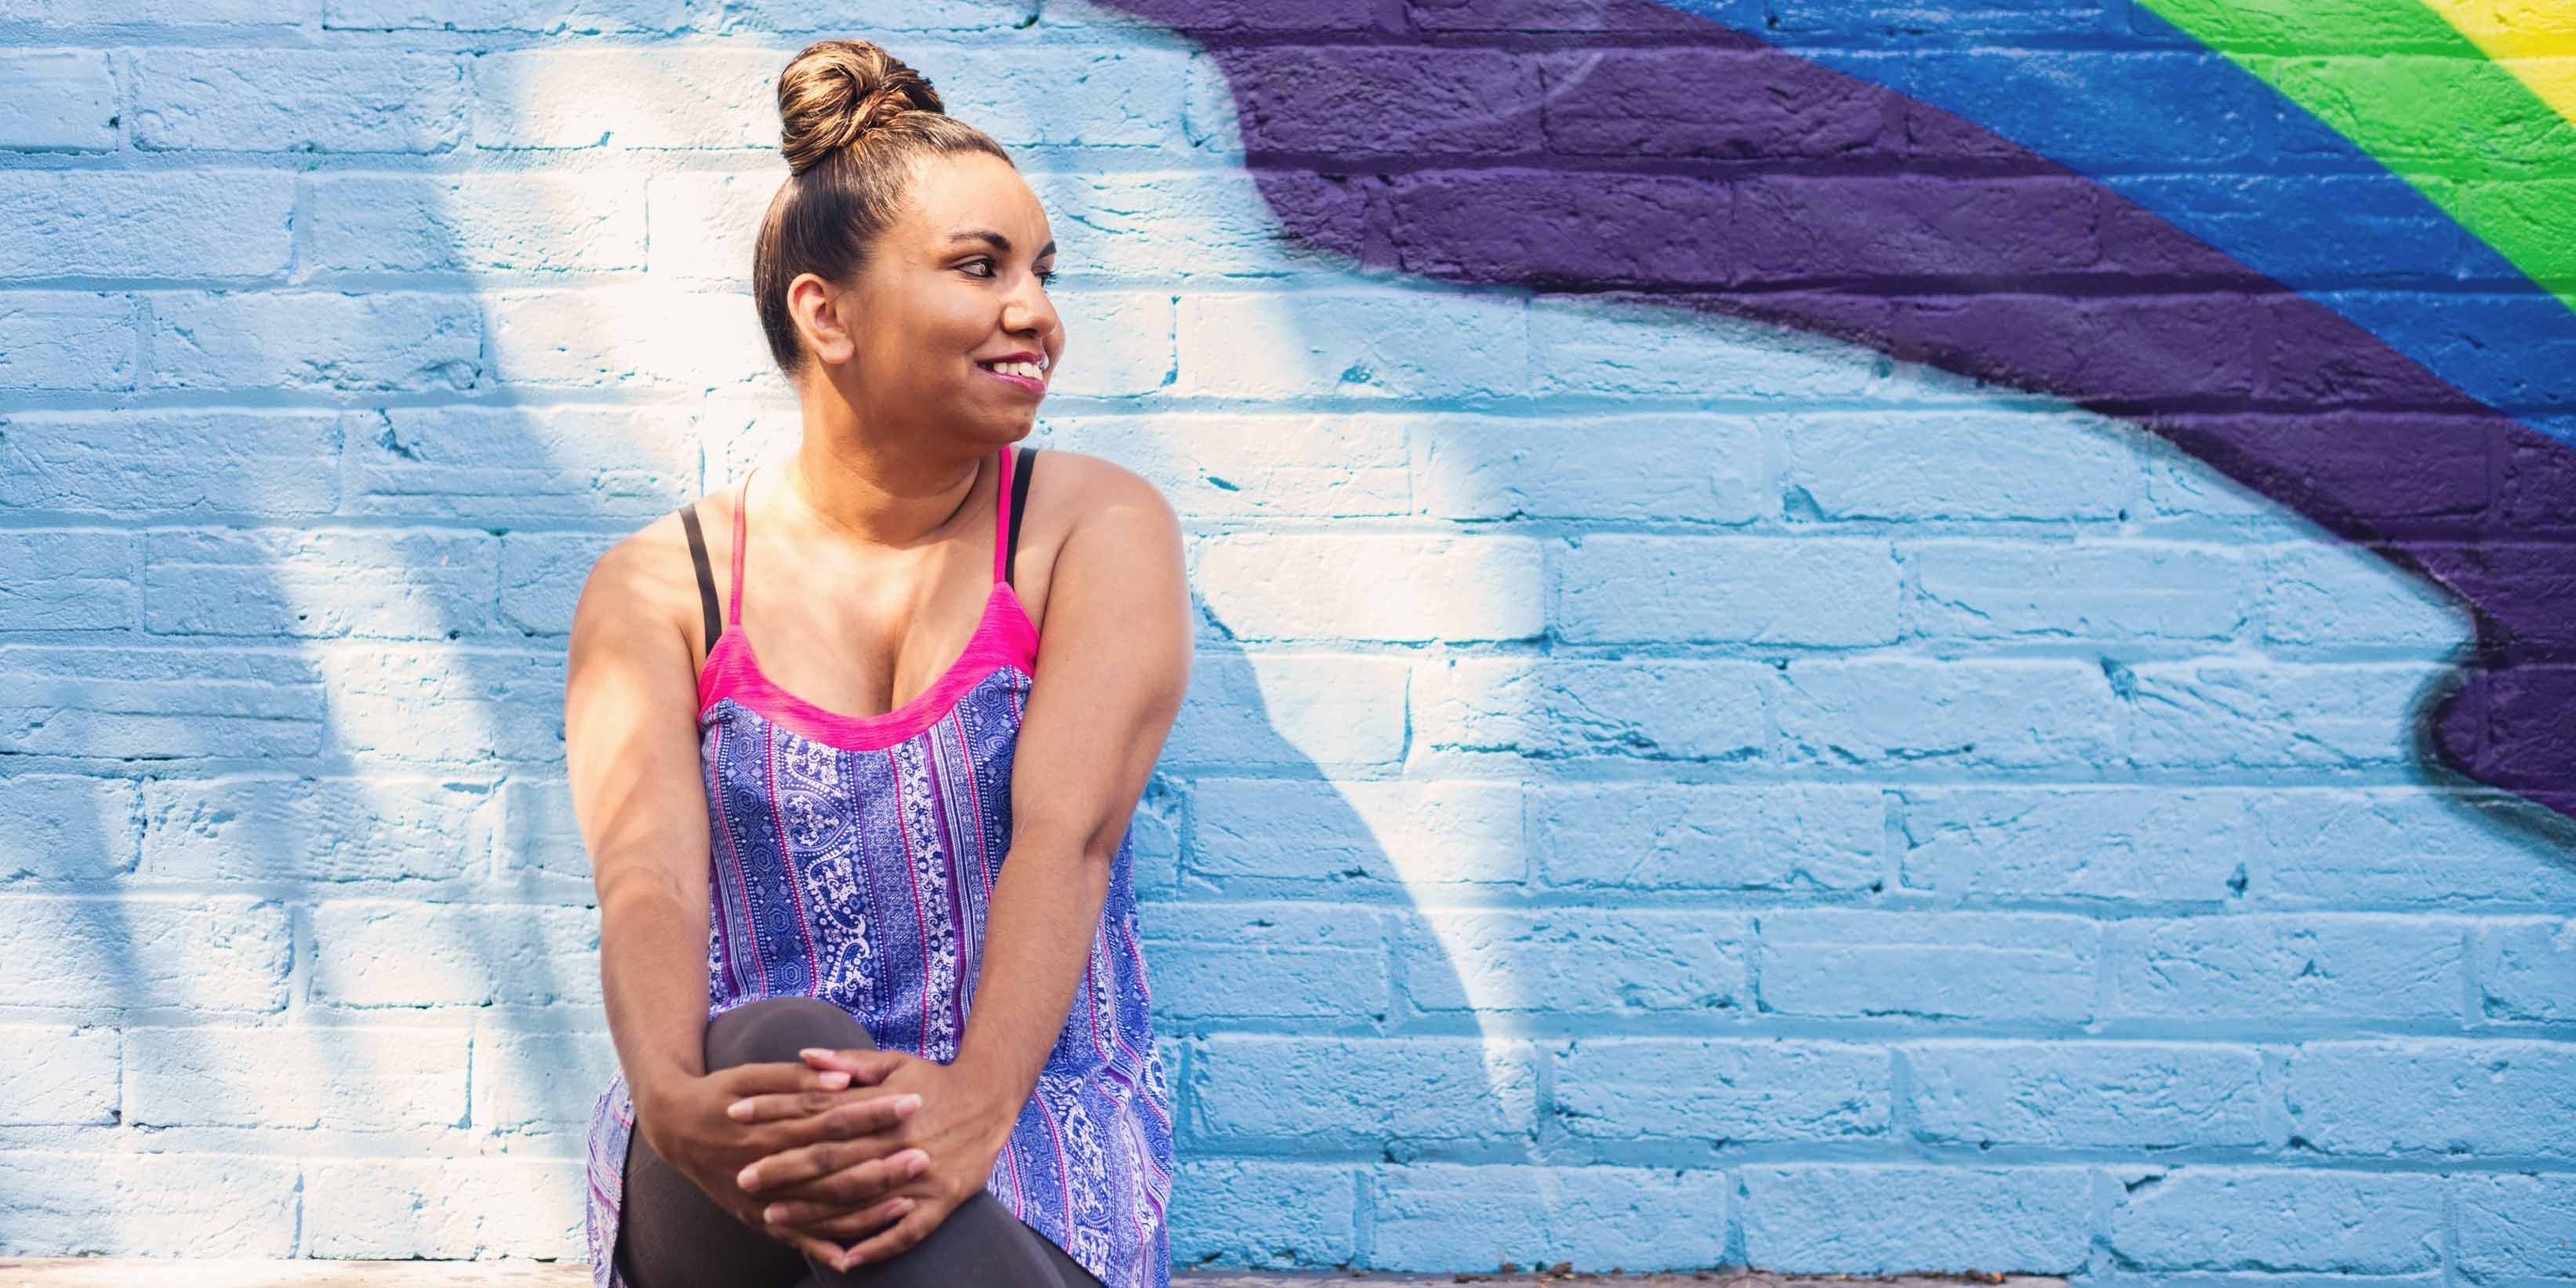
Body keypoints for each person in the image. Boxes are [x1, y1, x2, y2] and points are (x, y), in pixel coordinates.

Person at [561, 36, 1189, 1288]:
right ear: (826, 311)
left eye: (1041, 271)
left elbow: (1065, 839)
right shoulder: (659, 586)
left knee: (886, 1198)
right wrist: (667, 1097)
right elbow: (647, 884)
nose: (1037, 313)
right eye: (980, 266)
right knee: (791, 1046)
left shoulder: (1090, 530)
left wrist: (972, 1102)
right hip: (734, 1154)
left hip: (1027, 1147)